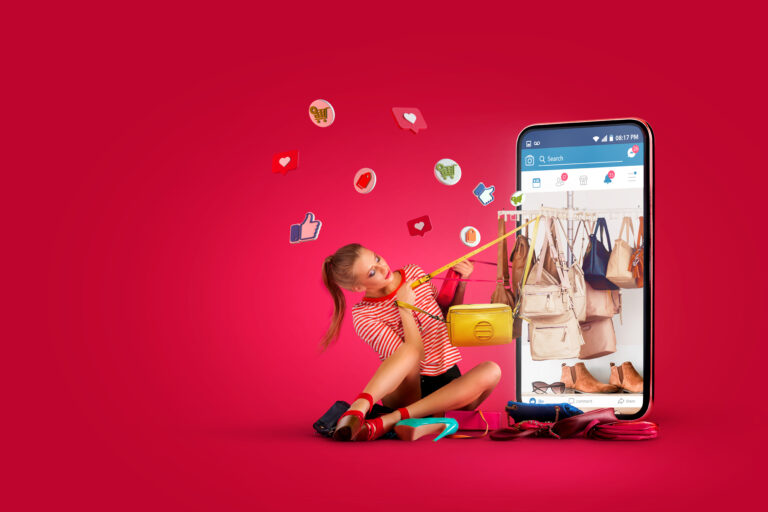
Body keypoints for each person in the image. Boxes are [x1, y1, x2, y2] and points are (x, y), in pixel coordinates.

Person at [320, 243, 502, 441]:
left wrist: (462, 283)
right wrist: (404, 308)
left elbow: (446, 318)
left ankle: (394, 420)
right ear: (358, 287)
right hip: (409, 389)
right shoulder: (364, 315)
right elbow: (413, 355)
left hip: (448, 380)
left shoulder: (414, 272)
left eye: (377, 259)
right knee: (408, 352)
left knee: (492, 370)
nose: (382, 268)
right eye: (372, 272)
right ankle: (361, 406)